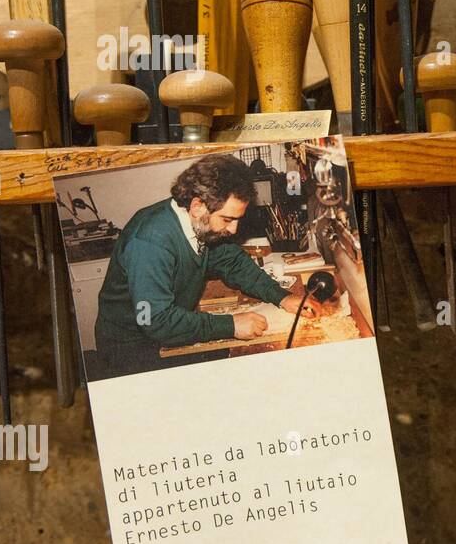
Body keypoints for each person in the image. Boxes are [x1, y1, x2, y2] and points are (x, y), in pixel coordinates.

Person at [92, 154, 319, 379]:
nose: (233, 230)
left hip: (162, 331)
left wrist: (282, 297)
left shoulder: (200, 225)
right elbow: (154, 320)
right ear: (198, 205)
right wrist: (231, 325)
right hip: (130, 349)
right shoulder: (150, 242)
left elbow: (233, 262)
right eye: (228, 219)